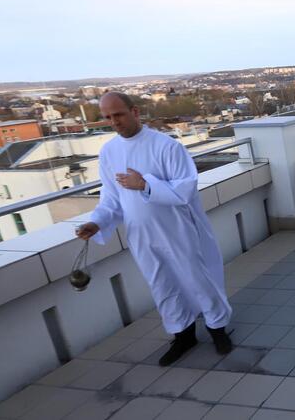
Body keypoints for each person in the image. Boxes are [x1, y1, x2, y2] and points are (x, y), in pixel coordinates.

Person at [75, 92, 233, 366]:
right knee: (162, 285)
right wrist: (96, 222)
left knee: (198, 280)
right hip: (142, 234)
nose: (114, 122)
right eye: (108, 117)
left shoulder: (166, 146)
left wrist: (145, 185)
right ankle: (183, 335)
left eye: (119, 114)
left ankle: (217, 328)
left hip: (178, 230)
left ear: (135, 112)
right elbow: (111, 199)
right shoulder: (109, 152)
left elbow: (185, 189)